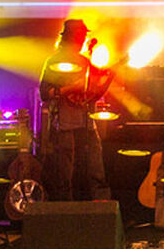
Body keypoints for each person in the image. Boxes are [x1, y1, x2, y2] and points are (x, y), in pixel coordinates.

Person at [39, 19, 113, 201]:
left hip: (86, 124)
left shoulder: (85, 62)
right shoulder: (54, 61)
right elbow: (44, 93)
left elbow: (93, 95)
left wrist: (109, 78)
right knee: (64, 173)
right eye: (80, 36)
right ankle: (66, 211)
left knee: (95, 169)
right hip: (63, 124)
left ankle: (99, 208)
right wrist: (69, 88)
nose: (81, 40)